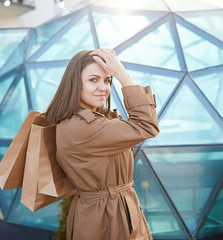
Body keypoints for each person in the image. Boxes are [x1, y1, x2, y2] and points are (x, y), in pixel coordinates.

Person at [45, 49, 159, 240]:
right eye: (93, 80)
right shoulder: (82, 127)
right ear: (75, 83)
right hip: (105, 219)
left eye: (107, 80)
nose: (103, 88)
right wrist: (122, 74)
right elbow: (147, 125)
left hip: (112, 211)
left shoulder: (91, 121)